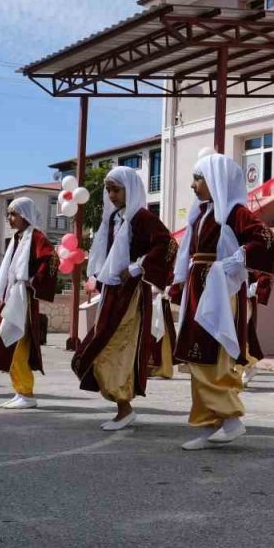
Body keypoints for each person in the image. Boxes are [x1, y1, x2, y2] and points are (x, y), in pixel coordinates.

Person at [168, 153, 274, 451]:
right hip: (198, 285)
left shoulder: (235, 212)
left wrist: (234, 262)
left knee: (213, 355)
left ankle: (230, 418)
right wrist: (179, 282)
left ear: (216, 180)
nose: (192, 185)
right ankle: (207, 423)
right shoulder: (202, 213)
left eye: (198, 178)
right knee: (195, 355)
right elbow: (187, 252)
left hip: (219, 289)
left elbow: (265, 238)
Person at [72, 167, 176, 430]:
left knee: (119, 346)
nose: (111, 194)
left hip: (131, 295)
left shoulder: (141, 217)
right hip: (113, 292)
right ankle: (121, 405)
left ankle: (124, 406)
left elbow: (167, 244)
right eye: (108, 189)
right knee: (104, 343)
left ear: (130, 189)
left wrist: (137, 266)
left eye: (115, 189)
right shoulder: (114, 219)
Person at [0, 197, 59, 408]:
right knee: (9, 342)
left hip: (24, 299)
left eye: (14, 214)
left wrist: (33, 281)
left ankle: (27, 394)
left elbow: (52, 258)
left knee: (19, 344)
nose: (10, 218)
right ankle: (20, 390)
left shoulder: (37, 236)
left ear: (25, 215)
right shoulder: (18, 238)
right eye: (9, 214)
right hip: (15, 296)